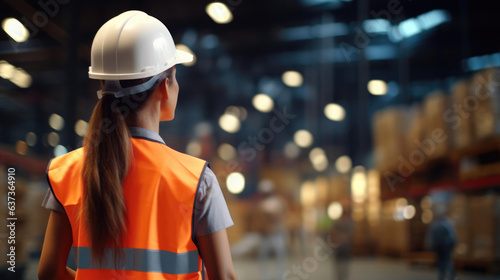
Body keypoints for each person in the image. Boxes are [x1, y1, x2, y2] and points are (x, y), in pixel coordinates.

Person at [38, 11, 237, 280]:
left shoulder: (68, 171)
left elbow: (49, 272)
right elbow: (223, 276)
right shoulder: (196, 180)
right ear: (165, 87)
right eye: (174, 76)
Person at [426, 203, 456, 280]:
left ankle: (443, 276)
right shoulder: (447, 223)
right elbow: (452, 234)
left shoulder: (435, 224)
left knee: (441, 261)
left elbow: (430, 235)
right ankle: (448, 276)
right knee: (446, 261)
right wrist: (453, 243)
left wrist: (429, 244)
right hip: (446, 246)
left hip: (439, 246)